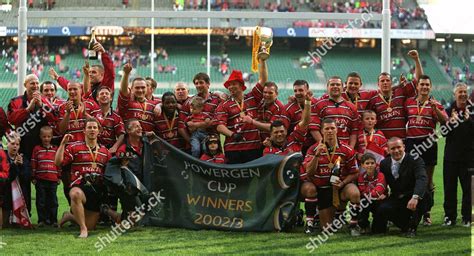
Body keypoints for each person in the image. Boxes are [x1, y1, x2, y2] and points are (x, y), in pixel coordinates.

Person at [300, 118, 360, 235]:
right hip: (320, 188)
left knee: (354, 193)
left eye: (332, 128)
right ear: (322, 131)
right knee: (327, 229)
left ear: (337, 130)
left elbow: (355, 172)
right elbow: (309, 173)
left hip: (338, 188)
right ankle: (310, 222)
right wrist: (316, 156)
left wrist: (342, 183)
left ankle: (353, 225)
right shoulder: (313, 149)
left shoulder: (346, 149)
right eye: (327, 128)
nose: (330, 131)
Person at [55, 118, 111, 238]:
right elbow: (58, 162)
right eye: (89, 127)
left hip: (96, 191)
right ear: (84, 130)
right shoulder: (74, 148)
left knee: (91, 225)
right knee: (75, 194)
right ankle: (83, 229)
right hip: (80, 186)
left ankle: (69, 216)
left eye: (94, 128)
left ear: (99, 131)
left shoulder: (105, 151)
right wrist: (63, 143)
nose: (92, 130)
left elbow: (110, 172)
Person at [404, 74, 448, 226]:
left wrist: (436, 110)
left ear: (430, 87)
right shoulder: (408, 102)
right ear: (417, 86)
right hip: (411, 143)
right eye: (421, 84)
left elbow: (446, 123)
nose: (424, 87)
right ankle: (410, 212)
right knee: (411, 178)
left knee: (428, 180)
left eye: (427, 85)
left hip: (428, 143)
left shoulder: (435, 103)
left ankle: (427, 214)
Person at [372, 137, 429, 237]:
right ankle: (404, 225)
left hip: (414, 196)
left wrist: (415, 197)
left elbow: (422, 179)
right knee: (382, 208)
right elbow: (383, 182)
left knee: (424, 198)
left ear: (404, 147)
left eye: (399, 147)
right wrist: (382, 194)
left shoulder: (415, 159)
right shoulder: (384, 164)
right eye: (393, 148)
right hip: (397, 197)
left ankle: (412, 228)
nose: (396, 151)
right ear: (388, 150)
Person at [368, 50, 423, 139]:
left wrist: (416, 59)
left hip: (401, 143)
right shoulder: (373, 100)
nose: (385, 82)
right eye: (382, 81)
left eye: (387, 80)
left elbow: (419, 81)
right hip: (383, 144)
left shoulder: (401, 91)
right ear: (378, 84)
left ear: (391, 83)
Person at [215, 67, 266, 164]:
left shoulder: (252, 97)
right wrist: (233, 135)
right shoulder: (224, 105)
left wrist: (262, 61)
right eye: (229, 85)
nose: (230, 87)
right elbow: (219, 126)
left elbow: (263, 80)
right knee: (235, 177)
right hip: (233, 148)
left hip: (254, 147)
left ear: (241, 85)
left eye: (234, 84)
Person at [442, 83, 474, 227]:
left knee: (468, 189)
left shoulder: (472, 111)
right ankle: (450, 217)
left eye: (465, 92)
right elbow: (443, 132)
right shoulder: (448, 111)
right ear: (455, 94)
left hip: (469, 158)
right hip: (451, 158)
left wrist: (469, 121)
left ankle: (467, 217)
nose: (463, 95)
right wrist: (451, 122)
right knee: (450, 188)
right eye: (460, 92)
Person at [7, 74, 56, 160]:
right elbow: (11, 119)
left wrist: (41, 106)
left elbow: (53, 119)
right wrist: (27, 109)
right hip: (21, 147)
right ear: (25, 85)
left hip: (41, 148)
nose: (35, 86)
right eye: (32, 83)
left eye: (37, 83)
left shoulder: (45, 101)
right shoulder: (15, 101)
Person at [49, 40, 115, 103]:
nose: (90, 74)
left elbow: (110, 72)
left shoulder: (105, 86)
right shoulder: (87, 87)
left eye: (94, 72)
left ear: (102, 75)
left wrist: (103, 53)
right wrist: (58, 78)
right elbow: (70, 86)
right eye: (90, 72)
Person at [310, 76, 360, 148]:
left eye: (338, 84)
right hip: (325, 150)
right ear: (327, 87)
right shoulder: (318, 105)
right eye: (332, 84)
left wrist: (350, 149)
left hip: (344, 150)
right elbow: (313, 128)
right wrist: (325, 146)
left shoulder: (352, 107)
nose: (335, 86)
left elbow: (354, 131)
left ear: (343, 88)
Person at [178, 72, 223, 141]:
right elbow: (181, 127)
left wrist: (196, 125)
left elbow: (218, 122)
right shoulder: (188, 102)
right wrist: (191, 142)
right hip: (195, 146)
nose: (198, 85)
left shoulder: (217, 100)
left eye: (201, 82)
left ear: (208, 84)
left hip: (213, 145)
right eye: (196, 83)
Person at [31, 126, 61, 227]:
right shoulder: (37, 149)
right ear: (40, 136)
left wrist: (59, 176)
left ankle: (54, 220)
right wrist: (33, 177)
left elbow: (58, 164)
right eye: (44, 136)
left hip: (53, 179)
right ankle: (42, 220)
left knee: (53, 201)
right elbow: (34, 163)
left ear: (52, 136)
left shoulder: (55, 149)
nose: (46, 139)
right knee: (41, 201)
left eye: (48, 136)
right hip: (40, 180)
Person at [118, 63, 157, 133]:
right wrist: (126, 74)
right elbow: (123, 90)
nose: (140, 90)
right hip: (130, 141)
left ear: (147, 88)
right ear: (132, 89)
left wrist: (160, 105)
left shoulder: (154, 105)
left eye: (143, 87)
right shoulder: (127, 103)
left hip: (148, 142)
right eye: (137, 88)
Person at [284, 80, 319, 154]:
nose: (297, 93)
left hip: (316, 146)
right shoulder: (289, 108)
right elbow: (283, 129)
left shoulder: (317, 104)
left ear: (308, 91)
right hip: (296, 148)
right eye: (295, 91)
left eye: (300, 90)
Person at [356, 153, 387, 234]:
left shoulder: (381, 175)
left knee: (378, 231)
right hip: (368, 200)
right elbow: (363, 191)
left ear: (376, 164)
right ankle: (364, 226)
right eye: (367, 163)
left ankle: (381, 225)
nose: (370, 165)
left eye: (372, 163)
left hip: (380, 201)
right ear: (362, 165)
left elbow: (380, 189)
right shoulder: (361, 177)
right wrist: (375, 195)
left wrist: (375, 194)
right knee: (363, 203)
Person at [91, 86, 125, 154]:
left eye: (106, 93)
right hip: (94, 149)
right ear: (97, 98)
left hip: (109, 151)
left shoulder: (116, 116)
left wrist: (115, 147)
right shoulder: (93, 114)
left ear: (111, 98)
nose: (104, 95)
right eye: (102, 93)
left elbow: (122, 134)